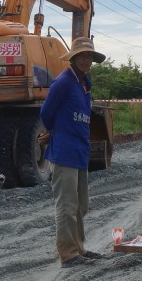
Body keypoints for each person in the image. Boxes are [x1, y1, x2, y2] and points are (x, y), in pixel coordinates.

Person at [40, 37, 106, 268]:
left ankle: (79, 248)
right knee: (67, 206)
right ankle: (68, 254)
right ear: (74, 58)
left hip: (80, 150)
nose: (86, 60)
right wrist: (56, 130)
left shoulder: (85, 83)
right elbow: (46, 113)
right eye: (82, 56)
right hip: (64, 151)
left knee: (81, 206)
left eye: (89, 56)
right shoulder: (64, 82)